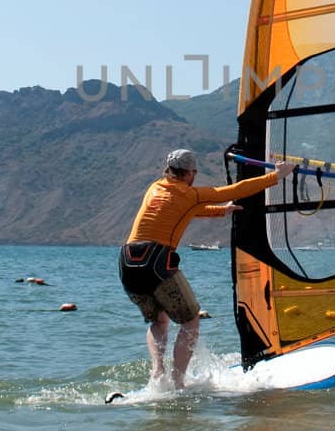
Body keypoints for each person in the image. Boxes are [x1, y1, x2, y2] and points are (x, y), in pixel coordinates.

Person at [118, 148, 290, 388]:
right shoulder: (189, 194)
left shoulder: (155, 188)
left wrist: (221, 211)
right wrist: (276, 176)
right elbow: (232, 191)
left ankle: (157, 372)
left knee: (159, 321)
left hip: (127, 263)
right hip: (156, 262)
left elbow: (184, 210)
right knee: (190, 321)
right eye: (194, 173)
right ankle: (178, 382)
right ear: (190, 173)